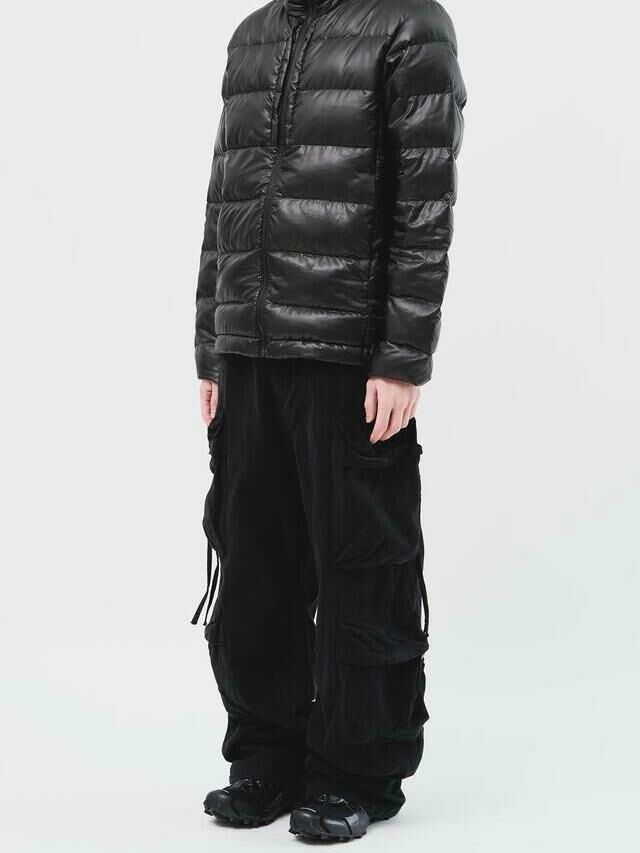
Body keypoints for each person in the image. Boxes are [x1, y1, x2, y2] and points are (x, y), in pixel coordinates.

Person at [192, 0, 465, 841]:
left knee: (362, 565)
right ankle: (267, 755)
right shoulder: (251, 36)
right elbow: (222, 201)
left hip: (348, 353)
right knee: (254, 563)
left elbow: (424, 202)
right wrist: (210, 344)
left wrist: (401, 357)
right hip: (248, 348)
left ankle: (358, 770)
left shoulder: (411, 26)